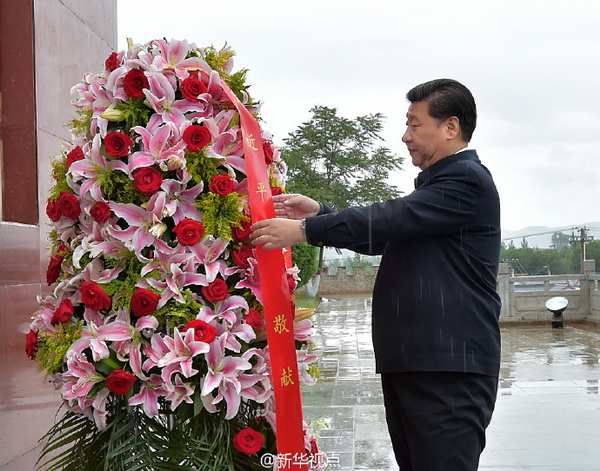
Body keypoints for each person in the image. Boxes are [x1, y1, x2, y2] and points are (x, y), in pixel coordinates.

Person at [250, 78, 501, 471]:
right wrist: (322, 215)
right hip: (417, 363)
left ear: (450, 127)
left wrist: (304, 231)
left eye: (414, 125)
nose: (405, 136)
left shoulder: (467, 181)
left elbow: (393, 217)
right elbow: (389, 233)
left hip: (449, 369)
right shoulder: (436, 192)